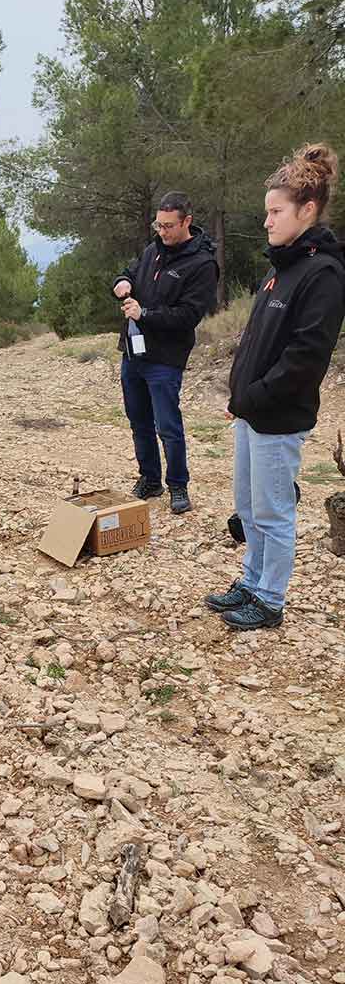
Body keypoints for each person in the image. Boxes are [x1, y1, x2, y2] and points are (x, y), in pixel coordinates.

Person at [206, 142, 345, 631]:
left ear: (307, 210)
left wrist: (254, 396)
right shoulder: (280, 269)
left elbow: (305, 360)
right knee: (248, 507)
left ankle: (269, 600)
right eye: (266, 211)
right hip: (252, 411)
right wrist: (238, 398)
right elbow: (256, 344)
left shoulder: (324, 275)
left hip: (280, 416)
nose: (267, 221)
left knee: (273, 510)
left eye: (275, 211)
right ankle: (250, 581)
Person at [112, 193, 219, 514]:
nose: (162, 231)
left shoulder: (202, 264)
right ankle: (150, 479)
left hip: (165, 359)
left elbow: (188, 316)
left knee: (167, 425)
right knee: (138, 420)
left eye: (169, 226)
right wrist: (120, 282)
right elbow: (129, 272)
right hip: (133, 353)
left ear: (187, 222)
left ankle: (178, 485)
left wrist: (144, 314)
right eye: (158, 224)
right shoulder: (152, 250)